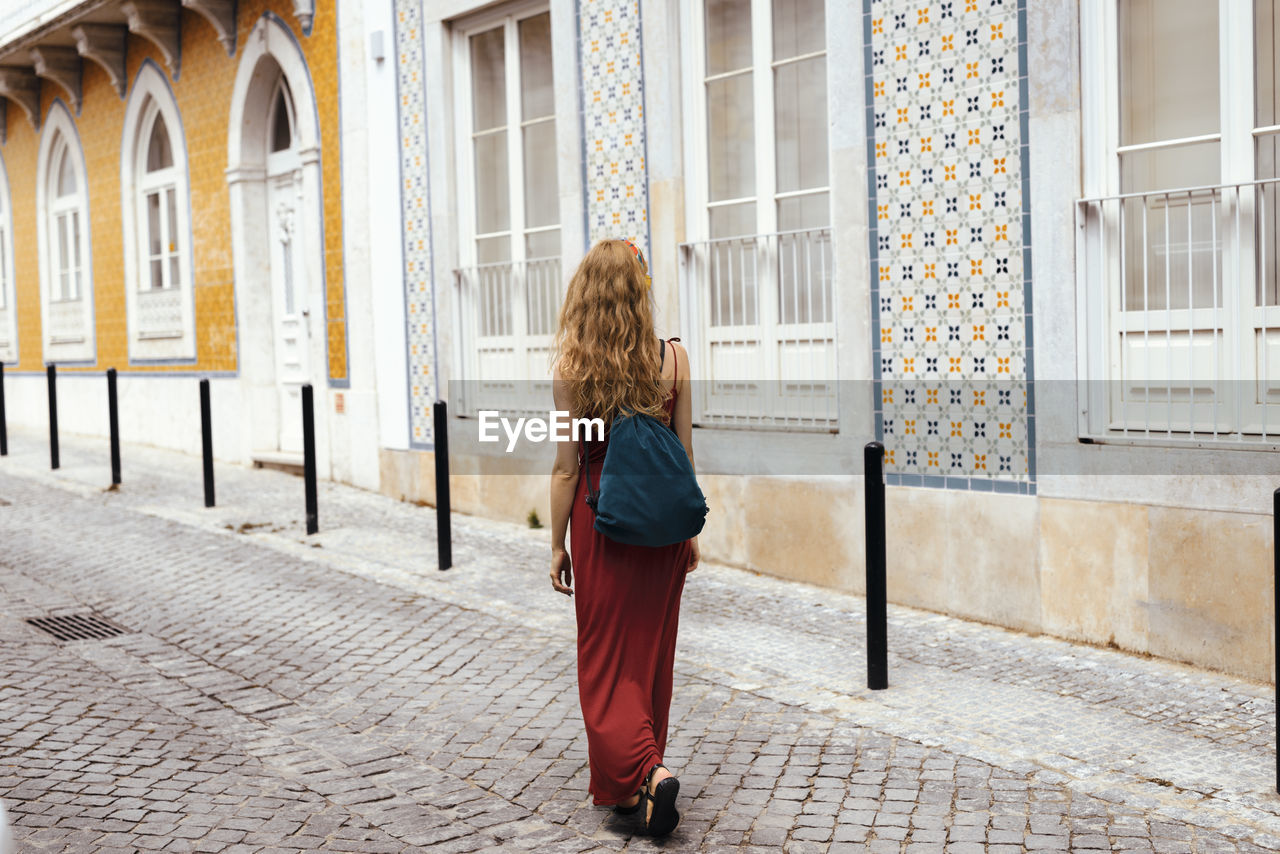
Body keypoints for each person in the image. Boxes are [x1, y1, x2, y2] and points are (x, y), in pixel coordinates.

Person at [548, 238, 700, 837]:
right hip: (662, 526)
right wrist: (689, 533)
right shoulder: (674, 359)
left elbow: (566, 466)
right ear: (640, 293)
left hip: (602, 523)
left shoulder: (574, 370)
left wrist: (555, 543)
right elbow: (685, 453)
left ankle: (647, 773)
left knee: (605, 663)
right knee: (649, 655)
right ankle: (637, 787)